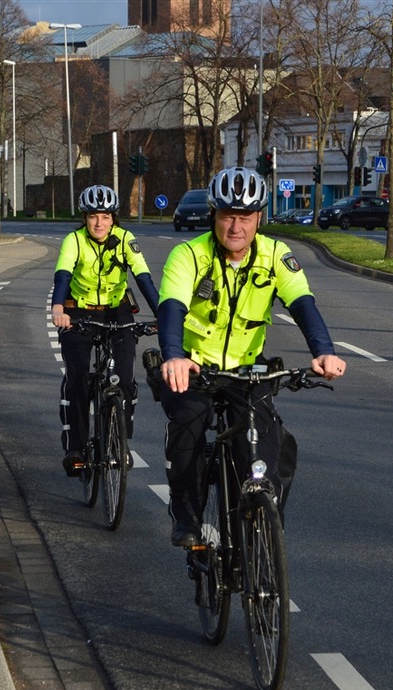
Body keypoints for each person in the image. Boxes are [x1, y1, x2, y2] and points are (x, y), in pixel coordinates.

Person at [156, 166, 346, 547]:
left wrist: (323, 351)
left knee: (273, 446)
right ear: (214, 215)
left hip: (247, 372)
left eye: (246, 217)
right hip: (196, 369)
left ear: (259, 217)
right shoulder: (188, 255)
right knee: (188, 428)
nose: (236, 226)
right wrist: (175, 356)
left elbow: (303, 305)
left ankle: (261, 518)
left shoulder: (277, 255)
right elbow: (172, 308)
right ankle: (188, 517)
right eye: (228, 216)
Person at [51, 184, 160, 477]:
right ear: (85, 218)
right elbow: (62, 275)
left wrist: (163, 314)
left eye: (106, 216)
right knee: (77, 376)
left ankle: (120, 439)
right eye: (93, 217)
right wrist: (58, 308)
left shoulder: (125, 240)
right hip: (77, 312)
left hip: (117, 312)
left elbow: (143, 277)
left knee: (124, 377)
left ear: (114, 218)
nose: (99, 223)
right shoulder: (74, 240)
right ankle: (75, 446)